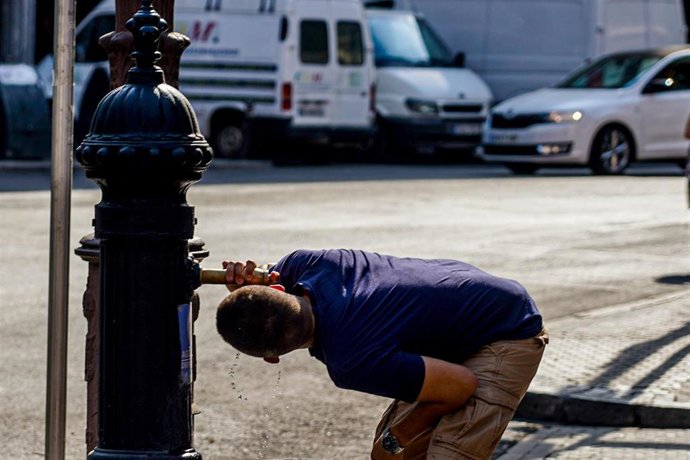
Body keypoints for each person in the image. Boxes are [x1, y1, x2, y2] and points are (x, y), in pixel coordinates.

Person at [216, 249, 548, 459]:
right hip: (468, 303)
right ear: (276, 289)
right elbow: (270, 297)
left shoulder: (352, 360)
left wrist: (400, 435)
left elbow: (461, 385)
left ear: (271, 358)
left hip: (508, 330)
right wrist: (247, 284)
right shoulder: (304, 264)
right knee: (390, 456)